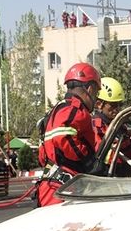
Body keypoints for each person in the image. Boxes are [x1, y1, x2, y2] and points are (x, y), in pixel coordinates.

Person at [36, 62, 100, 207]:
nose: (96, 99)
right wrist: (89, 162)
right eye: (96, 93)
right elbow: (63, 135)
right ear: (90, 88)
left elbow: (42, 155)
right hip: (62, 189)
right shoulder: (75, 109)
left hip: (54, 186)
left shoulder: (58, 110)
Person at [92, 77, 131, 177]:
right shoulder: (96, 126)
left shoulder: (120, 127)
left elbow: (130, 155)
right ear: (99, 104)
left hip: (123, 178)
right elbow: (106, 156)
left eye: (119, 104)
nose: (117, 109)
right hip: (107, 180)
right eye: (113, 105)